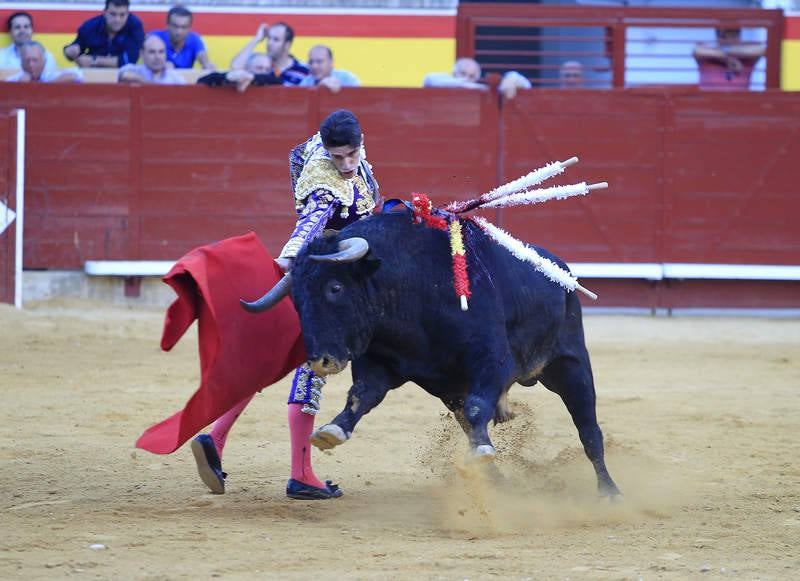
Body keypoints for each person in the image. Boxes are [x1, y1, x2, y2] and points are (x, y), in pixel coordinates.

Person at [191, 109, 380, 500]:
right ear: (328, 154)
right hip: (321, 289)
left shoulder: (329, 154)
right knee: (313, 369)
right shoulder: (326, 185)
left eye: (352, 155)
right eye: (338, 158)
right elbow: (308, 225)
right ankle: (301, 474)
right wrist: (287, 261)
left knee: (270, 361)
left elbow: (301, 154)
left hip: (320, 283)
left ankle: (217, 437)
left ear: (361, 143)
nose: (346, 165)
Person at [63, 0, 144, 68]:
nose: (117, 20)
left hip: (123, 76)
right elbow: (76, 50)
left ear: (128, 14)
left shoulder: (135, 25)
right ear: (105, 12)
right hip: (92, 74)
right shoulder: (90, 26)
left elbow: (130, 60)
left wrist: (94, 60)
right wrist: (69, 52)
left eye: (122, 15)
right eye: (113, 14)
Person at [230, 22, 308, 85]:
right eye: (269, 38)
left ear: (287, 45)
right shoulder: (261, 65)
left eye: (276, 40)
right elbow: (235, 67)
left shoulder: (303, 70)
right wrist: (256, 39)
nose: (270, 43)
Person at [693, 27, 765, 91]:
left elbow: (760, 50)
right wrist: (728, 59)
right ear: (717, 38)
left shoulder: (747, 59)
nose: (728, 40)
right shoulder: (707, 58)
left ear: (739, 37)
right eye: (723, 37)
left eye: (733, 36)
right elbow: (697, 50)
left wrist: (725, 53)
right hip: (709, 105)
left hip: (739, 105)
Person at [423, 57, 531, 99]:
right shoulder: (441, 81)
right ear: (453, 73)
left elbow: (527, 85)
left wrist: (512, 77)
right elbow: (430, 79)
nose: (466, 78)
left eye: (471, 76)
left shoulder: (483, 92)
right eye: (462, 73)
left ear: (477, 78)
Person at [152, 5, 214, 70]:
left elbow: (202, 56)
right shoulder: (155, 37)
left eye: (184, 27)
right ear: (167, 25)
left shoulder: (195, 39)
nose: (179, 32)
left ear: (190, 28)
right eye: (175, 26)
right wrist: (160, 65)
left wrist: (207, 64)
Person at [118, 34, 185, 85]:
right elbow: (124, 76)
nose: (157, 57)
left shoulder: (174, 77)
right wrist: (147, 83)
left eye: (161, 52)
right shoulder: (135, 69)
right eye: (152, 52)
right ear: (142, 54)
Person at [197, 53, 281, 92]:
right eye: (259, 68)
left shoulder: (272, 81)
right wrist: (227, 77)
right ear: (247, 69)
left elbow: (278, 81)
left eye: (267, 69)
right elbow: (201, 81)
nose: (263, 72)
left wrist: (251, 77)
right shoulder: (236, 76)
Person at [5, 41, 83, 83]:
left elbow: (77, 75)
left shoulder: (50, 76)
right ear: (21, 63)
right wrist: (19, 86)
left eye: (35, 60)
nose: (31, 64)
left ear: (44, 62)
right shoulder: (14, 80)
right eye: (27, 60)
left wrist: (46, 86)